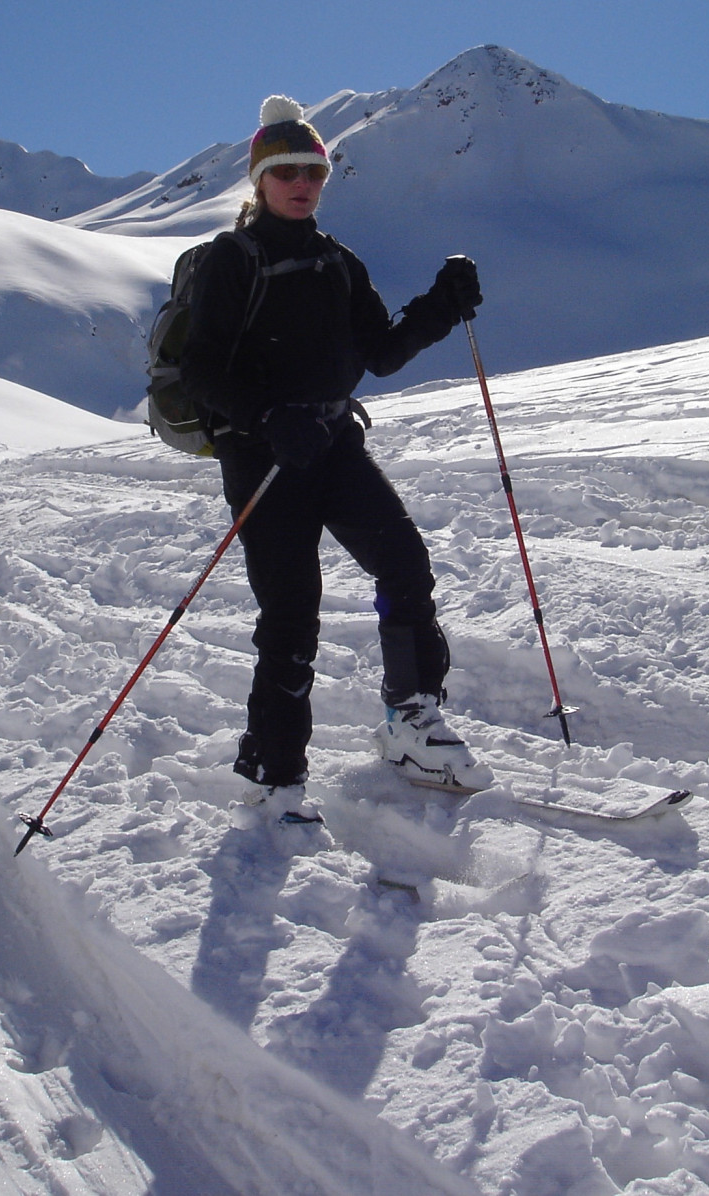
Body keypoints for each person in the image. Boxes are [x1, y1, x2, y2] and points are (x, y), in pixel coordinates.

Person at [179, 95, 486, 826]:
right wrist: (266, 417)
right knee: (292, 613)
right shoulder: (233, 258)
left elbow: (377, 353)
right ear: (259, 179)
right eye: (286, 169)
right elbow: (200, 368)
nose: (302, 182)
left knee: (405, 565)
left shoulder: (336, 261)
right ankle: (273, 774)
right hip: (264, 459)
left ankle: (409, 721)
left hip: (333, 444)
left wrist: (442, 307)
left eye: (313, 169)